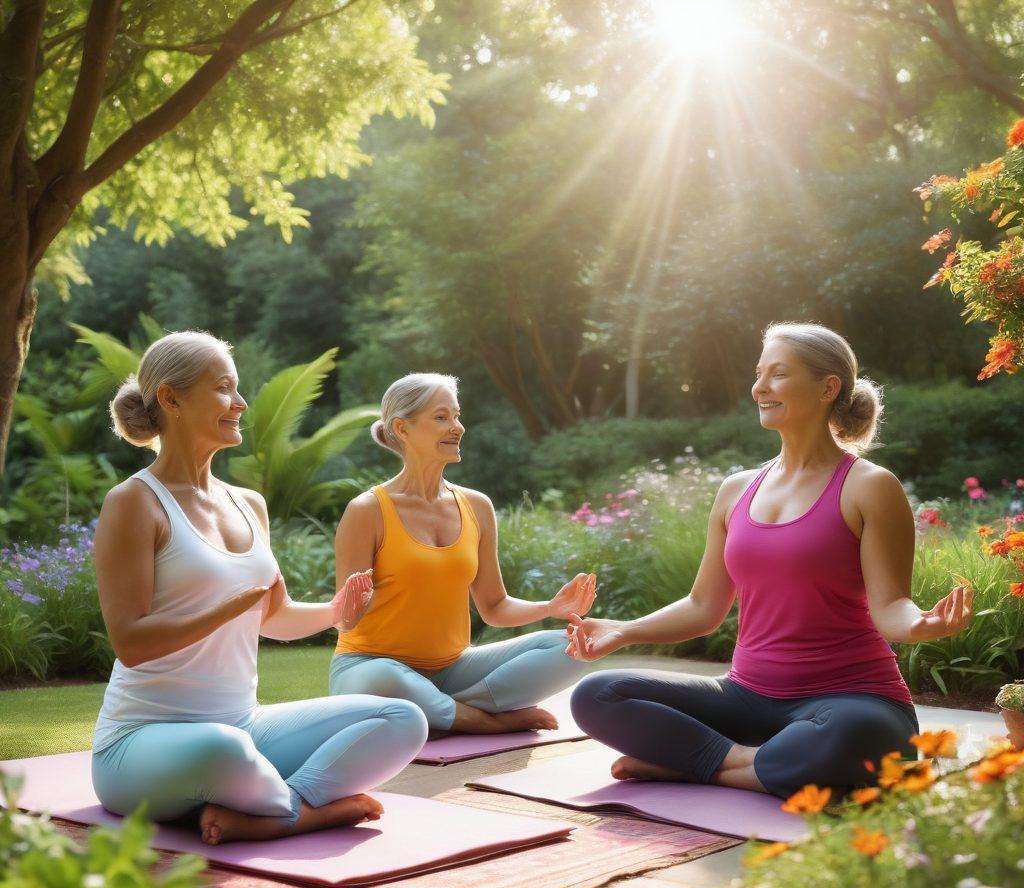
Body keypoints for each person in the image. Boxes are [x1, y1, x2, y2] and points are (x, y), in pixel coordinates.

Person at [566, 323, 973, 799]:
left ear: (828, 388)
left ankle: (698, 764)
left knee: (857, 735)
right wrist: (623, 630)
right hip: (744, 698)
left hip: (847, 702)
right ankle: (756, 765)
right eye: (759, 374)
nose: (759, 388)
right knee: (596, 695)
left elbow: (890, 606)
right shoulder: (735, 490)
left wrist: (921, 623)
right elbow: (703, 607)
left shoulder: (869, 486)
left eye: (778, 374)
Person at [92, 332, 428, 846]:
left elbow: (273, 616)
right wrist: (225, 609)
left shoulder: (249, 504)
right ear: (171, 398)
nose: (241, 403)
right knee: (224, 751)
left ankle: (276, 806)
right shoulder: (134, 502)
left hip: (244, 726)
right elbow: (131, 643)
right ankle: (307, 813)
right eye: (223, 388)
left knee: (402, 717)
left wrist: (337, 611)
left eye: (237, 387)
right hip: (140, 743)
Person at [329, 372, 595, 734]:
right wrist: (350, 610)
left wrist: (551, 608)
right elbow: (344, 619)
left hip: (454, 670)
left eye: (456, 416)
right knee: (385, 678)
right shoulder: (367, 510)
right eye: (441, 417)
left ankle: (444, 712)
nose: (457, 427)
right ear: (402, 429)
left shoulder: (476, 506)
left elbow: (495, 606)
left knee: (572, 646)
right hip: (370, 668)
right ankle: (486, 721)